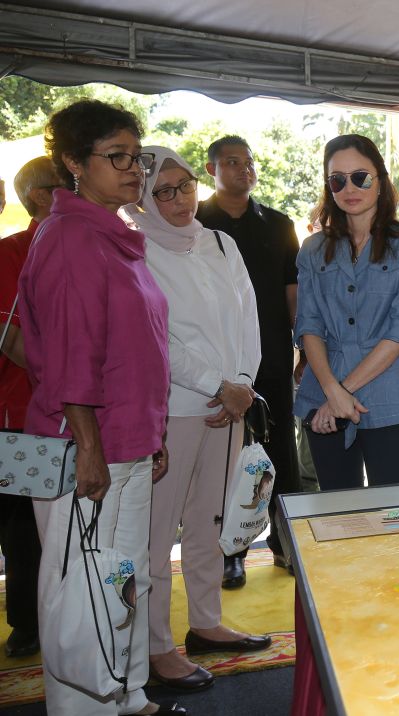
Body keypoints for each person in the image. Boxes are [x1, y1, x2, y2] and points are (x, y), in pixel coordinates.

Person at [19, 100, 179, 715]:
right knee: (79, 588)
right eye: (117, 157)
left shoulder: (113, 235)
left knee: (120, 577)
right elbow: (70, 357)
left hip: (126, 440)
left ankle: (129, 694)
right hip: (79, 449)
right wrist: (89, 450)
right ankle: (87, 705)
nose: (134, 170)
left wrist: (151, 432)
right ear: (73, 163)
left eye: (137, 157)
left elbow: (136, 349)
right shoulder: (69, 238)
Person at [122, 146, 271, 692]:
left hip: (229, 406)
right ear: (142, 196)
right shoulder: (134, 248)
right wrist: (218, 386)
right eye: (162, 190)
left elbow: (249, 317)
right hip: (175, 409)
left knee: (210, 521)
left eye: (185, 186)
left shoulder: (220, 242)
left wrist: (244, 386)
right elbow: (155, 338)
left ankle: (205, 622)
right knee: (159, 533)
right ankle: (157, 645)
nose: (179, 199)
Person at [294, 134, 399, 489]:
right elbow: (309, 325)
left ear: (380, 181)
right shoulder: (312, 250)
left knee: (393, 511)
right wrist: (330, 390)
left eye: (361, 177)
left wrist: (340, 393)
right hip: (322, 391)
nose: (349, 187)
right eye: (337, 179)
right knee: (337, 514)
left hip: (391, 393)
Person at [197, 135, 301, 586]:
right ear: (211, 170)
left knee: (282, 454)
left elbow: (292, 294)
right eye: (232, 162)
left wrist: (301, 351)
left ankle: (287, 544)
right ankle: (231, 553)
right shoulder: (193, 222)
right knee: (224, 460)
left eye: (248, 161)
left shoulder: (279, 224)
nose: (243, 169)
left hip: (273, 358)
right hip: (216, 365)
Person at [0, 156, 60, 659]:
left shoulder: (80, 240)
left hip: (77, 415)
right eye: (67, 182)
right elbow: (9, 338)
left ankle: (63, 616)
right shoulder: (12, 252)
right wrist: (64, 386)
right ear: (41, 196)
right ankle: (26, 621)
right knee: (25, 528)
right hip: (24, 418)